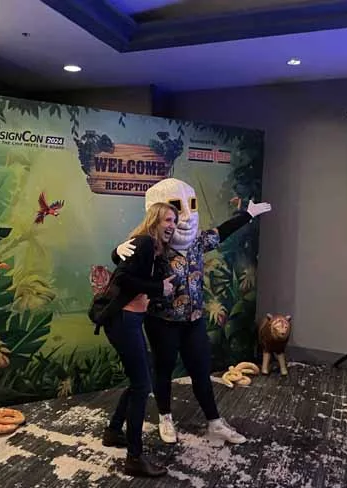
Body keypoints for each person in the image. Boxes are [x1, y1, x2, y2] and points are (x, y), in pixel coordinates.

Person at [112, 178, 272, 445]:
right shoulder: (153, 244)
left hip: (193, 319)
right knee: (163, 370)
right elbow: (125, 264)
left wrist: (247, 215)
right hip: (162, 320)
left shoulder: (198, 241)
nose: (180, 218)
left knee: (201, 371)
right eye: (172, 211)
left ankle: (214, 422)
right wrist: (116, 252)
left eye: (188, 206)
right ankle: (165, 417)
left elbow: (222, 232)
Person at [89, 202, 178, 478]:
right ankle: (134, 458)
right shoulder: (145, 243)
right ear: (154, 220)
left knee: (139, 379)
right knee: (142, 385)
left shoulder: (153, 248)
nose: (172, 225)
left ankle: (114, 431)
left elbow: (125, 270)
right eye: (167, 220)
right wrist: (158, 287)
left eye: (174, 221)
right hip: (123, 319)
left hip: (129, 319)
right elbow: (124, 278)